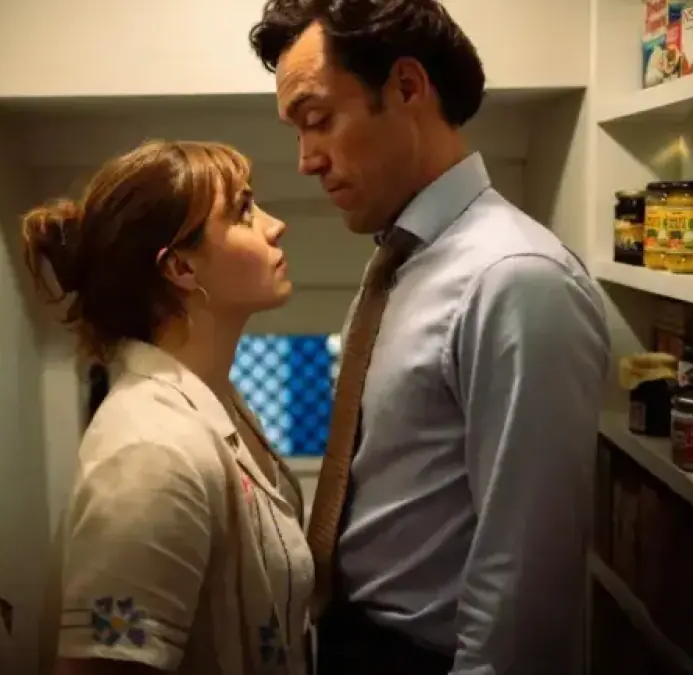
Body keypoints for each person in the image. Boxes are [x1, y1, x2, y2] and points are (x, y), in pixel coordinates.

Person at [249, 2, 611, 674]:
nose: (305, 161)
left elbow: (524, 581)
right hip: (353, 638)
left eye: (319, 120)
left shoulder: (514, 278)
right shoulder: (403, 260)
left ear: (407, 87)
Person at [25, 140, 313, 675]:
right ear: (181, 266)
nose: (275, 226)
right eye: (244, 212)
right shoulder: (152, 453)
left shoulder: (215, 403)